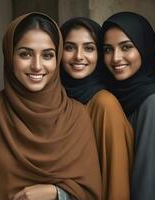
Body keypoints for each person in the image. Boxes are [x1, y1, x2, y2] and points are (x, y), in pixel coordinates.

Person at [0, 13, 102, 200]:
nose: (37, 66)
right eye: (25, 54)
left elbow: (91, 193)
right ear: (9, 55)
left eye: (47, 55)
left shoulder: (77, 116)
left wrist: (56, 193)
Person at [101, 11, 155, 200]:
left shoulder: (154, 104)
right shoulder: (118, 95)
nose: (115, 58)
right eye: (108, 49)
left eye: (126, 47)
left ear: (144, 48)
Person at [60, 17, 133, 200]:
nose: (78, 56)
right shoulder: (56, 98)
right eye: (69, 47)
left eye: (89, 48)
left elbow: (117, 183)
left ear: (99, 54)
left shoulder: (104, 105)